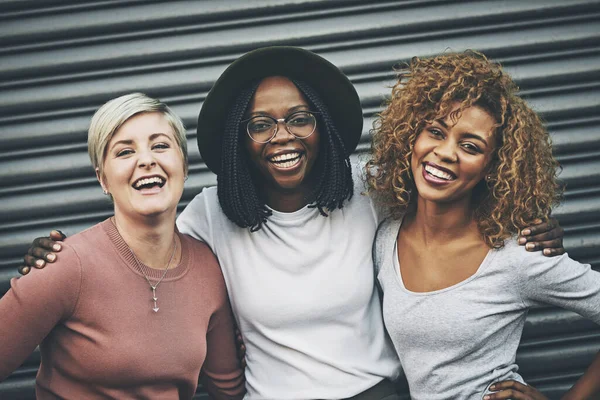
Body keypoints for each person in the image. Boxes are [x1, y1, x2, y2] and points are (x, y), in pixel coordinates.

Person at [16, 47, 566, 400]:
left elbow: (452, 196)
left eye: (299, 118)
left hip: (375, 393)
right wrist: (58, 258)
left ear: (321, 127)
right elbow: (143, 249)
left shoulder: (367, 188)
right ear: (241, 139)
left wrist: (524, 232)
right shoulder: (211, 214)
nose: (282, 136)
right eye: (261, 125)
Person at [367, 50, 600, 400]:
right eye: (435, 131)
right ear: (411, 138)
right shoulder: (386, 238)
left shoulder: (516, 255)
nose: (446, 152)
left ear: (494, 167)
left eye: (470, 146)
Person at [0, 93, 245, 399]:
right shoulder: (66, 266)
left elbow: (228, 390)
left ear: (183, 166)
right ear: (102, 179)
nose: (146, 160)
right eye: (124, 152)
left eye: (160, 145)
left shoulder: (208, 268)